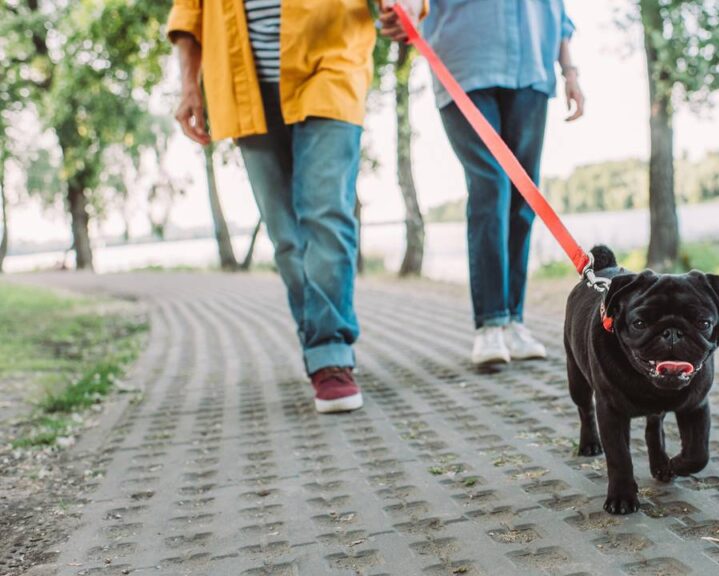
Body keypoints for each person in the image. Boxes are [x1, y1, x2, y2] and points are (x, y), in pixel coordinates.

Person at [166, 0, 426, 413]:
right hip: (242, 80)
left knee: (325, 214)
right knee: (285, 235)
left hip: (330, 63)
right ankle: (320, 346)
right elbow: (188, 13)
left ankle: (330, 355)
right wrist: (189, 86)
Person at [381, 0, 585, 366]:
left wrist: (569, 70)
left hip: (533, 64)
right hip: (465, 63)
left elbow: (556, 10)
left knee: (523, 197)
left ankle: (514, 321)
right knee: (490, 186)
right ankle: (491, 324)